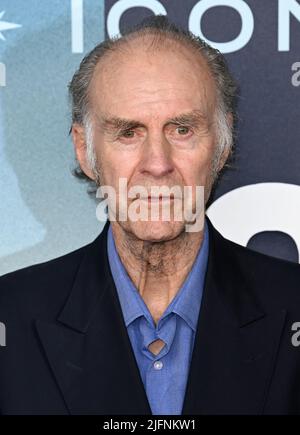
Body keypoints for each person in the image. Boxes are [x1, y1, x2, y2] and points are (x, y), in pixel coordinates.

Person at [1, 15, 300, 416]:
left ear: (222, 145)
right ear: (84, 150)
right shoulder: (10, 317)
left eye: (182, 129)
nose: (157, 164)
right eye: (128, 132)